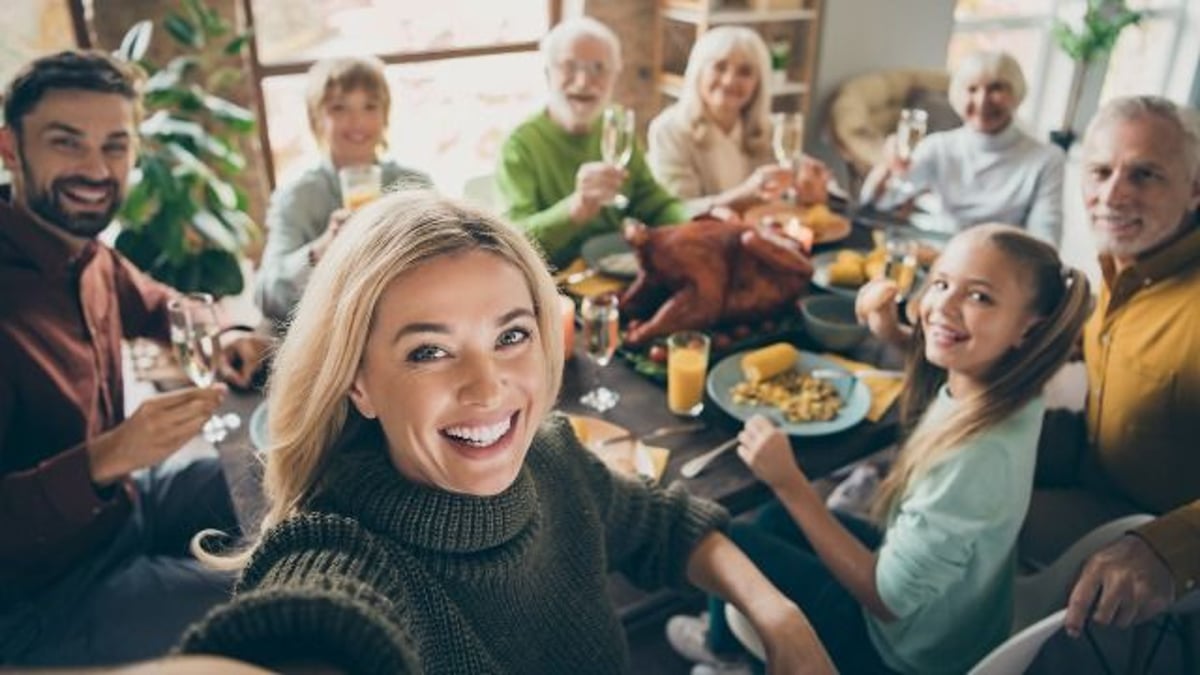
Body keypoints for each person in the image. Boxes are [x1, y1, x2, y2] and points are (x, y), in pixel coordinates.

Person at [157, 191, 834, 674]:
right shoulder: (342, 552)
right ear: (356, 382)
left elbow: (662, 523)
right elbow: (302, 634)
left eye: (511, 334)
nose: (488, 387)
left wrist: (777, 613)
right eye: (428, 350)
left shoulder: (555, 456)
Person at [669, 224, 1092, 674]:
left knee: (728, 538)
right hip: (957, 617)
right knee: (774, 518)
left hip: (897, 653)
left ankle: (729, 655)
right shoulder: (1012, 390)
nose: (944, 305)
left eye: (980, 297)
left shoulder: (976, 458)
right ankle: (728, 638)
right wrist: (895, 333)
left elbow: (885, 599)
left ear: (1030, 328)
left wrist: (789, 481)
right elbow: (949, 377)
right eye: (942, 282)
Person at [0, 50, 271, 665]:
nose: (96, 168)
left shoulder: (88, 252)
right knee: (288, 589)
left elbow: (163, 304)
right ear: (11, 149)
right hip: (43, 599)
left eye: (115, 145)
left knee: (283, 469)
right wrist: (106, 458)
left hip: (128, 506)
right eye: (67, 143)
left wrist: (226, 334)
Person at [1020, 96, 1200, 672]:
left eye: (1145, 174)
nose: (1113, 194)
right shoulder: (1121, 265)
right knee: (944, 479)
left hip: (1158, 526)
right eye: (1100, 172)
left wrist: (1167, 549)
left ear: (1195, 188)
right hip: (1093, 468)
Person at [254, 55, 432, 329]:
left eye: (370, 106)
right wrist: (320, 251)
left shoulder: (415, 186)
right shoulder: (298, 197)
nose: (357, 121)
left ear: (385, 116)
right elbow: (267, 297)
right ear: (317, 119)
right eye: (339, 108)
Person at [495, 17, 688, 268]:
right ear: (547, 74)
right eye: (570, 67)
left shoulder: (616, 123)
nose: (584, 82)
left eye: (599, 68)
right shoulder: (519, 145)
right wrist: (574, 209)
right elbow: (512, 243)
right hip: (555, 282)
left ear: (614, 77)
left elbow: (652, 202)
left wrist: (692, 228)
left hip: (618, 269)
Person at [859, 51, 1065, 246]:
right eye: (972, 89)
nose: (982, 101)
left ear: (1017, 94)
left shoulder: (1047, 159)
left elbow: (1045, 241)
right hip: (939, 255)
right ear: (957, 96)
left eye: (996, 88)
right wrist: (888, 166)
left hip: (1003, 266)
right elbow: (881, 202)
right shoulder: (938, 147)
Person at [646, 26, 797, 216]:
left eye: (745, 72)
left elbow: (789, 195)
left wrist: (810, 187)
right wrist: (743, 196)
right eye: (720, 67)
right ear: (698, 72)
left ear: (758, 83)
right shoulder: (668, 130)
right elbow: (677, 210)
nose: (729, 81)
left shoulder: (771, 130)